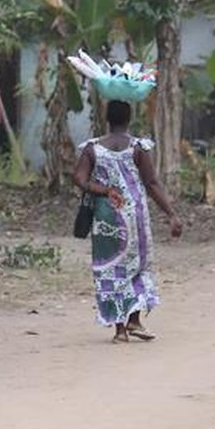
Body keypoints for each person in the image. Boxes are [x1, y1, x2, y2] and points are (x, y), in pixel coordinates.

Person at [72, 99, 184, 343]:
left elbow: (79, 178)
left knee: (111, 269)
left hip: (105, 218)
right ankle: (134, 320)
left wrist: (102, 190)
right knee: (137, 266)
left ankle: (120, 329)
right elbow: (152, 184)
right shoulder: (137, 148)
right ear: (129, 118)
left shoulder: (92, 148)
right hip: (134, 216)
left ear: (107, 119)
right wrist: (171, 214)